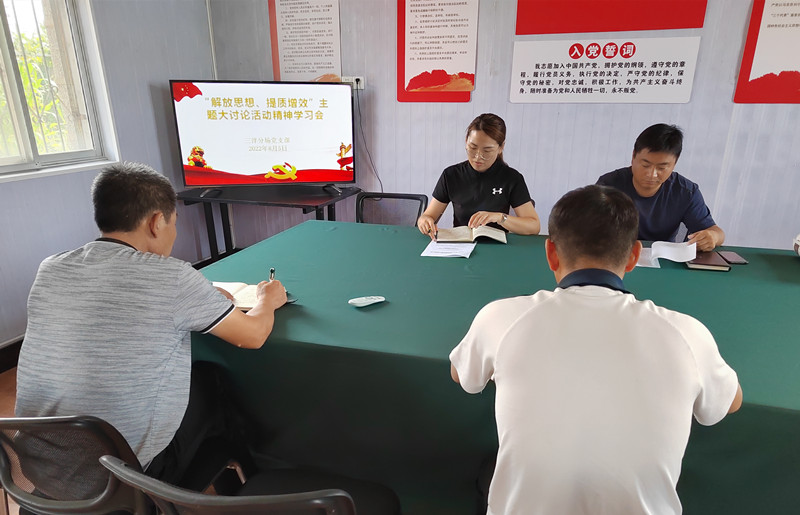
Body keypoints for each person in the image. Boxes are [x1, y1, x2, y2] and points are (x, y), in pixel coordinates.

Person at [449, 185, 742, 515]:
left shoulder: (500, 318)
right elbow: (729, 402)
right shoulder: (687, 334)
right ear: (634, 256)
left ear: (551, 253)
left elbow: (462, 374)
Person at [15, 162, 287, 486]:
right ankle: (244, 485)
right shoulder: (172, 276)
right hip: (122, 478)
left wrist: (203, 297)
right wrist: (267, 299)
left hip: (41, 468)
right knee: (211, 384)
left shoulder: (52, 267)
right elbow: (253, 336)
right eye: (174, 222)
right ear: (157, 222)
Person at [597, 123, 725, 251]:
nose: (652, 174)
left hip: (663, 257)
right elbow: (589, 226)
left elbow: (717, 233)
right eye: (646, 165)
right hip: (617, 253)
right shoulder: (608, 186)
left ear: (674, 164)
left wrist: (712, 237)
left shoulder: (686, 192)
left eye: (661, 168)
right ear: (633, 156)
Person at [417, 113, 540, 238]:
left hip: (497, 246)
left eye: (487, 151)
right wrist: (424, 221)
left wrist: (500, 217)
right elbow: (428, 216)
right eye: (472, 147)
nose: (478, 156)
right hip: (461, 244)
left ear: (501, 147)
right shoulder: (451, 175)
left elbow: (534, 226)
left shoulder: (512, 178)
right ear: (466, 141)